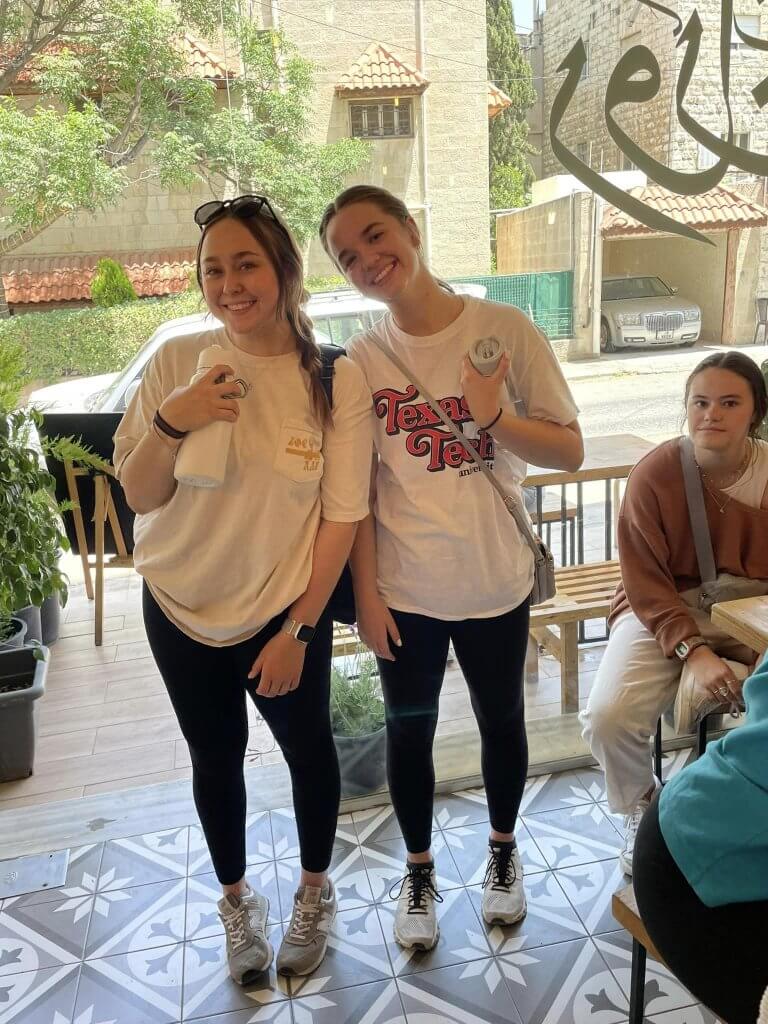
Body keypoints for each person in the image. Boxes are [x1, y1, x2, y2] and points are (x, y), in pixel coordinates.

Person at [114, 194, 373, 983]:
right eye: (214, 270)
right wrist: (174, 419)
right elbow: (140, 495)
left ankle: (314, 891)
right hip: (178, 604)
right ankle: (236, 903)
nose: (230, 285)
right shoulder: (177, 361)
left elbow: (342, 516)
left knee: (307, 748)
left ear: (284, 271)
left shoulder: (333, 377)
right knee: (214, 756)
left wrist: (298, 629)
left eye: (247, 264)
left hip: (280, 611)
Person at [319, 185, 583, 949]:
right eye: (348, 256)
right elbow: (360, 494)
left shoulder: (504, 329)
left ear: (411, 228)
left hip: (495, 582)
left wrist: (493, 414)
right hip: (406, 593)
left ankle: (502, 853)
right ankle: (419, 872)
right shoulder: (363, 360)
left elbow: (569, 449)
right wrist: (368, 599)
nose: (369, 260)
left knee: (502, 722)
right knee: (409, 734)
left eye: (377, 236)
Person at [580, 351, 768, 876]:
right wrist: (694, 650)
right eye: (700, 402)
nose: (711, 414)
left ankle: (742, 817)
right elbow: (644, 581)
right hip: (662, 606)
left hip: (755, 612)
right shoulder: (656, 473)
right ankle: (644, 808)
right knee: (607, 717)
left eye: (729, 403)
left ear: (755, 412)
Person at [633, 650, 768, 1024]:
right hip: (694, 853)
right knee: (607, 718)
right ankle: (637, 799)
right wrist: (690, 648)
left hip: (711, 820)